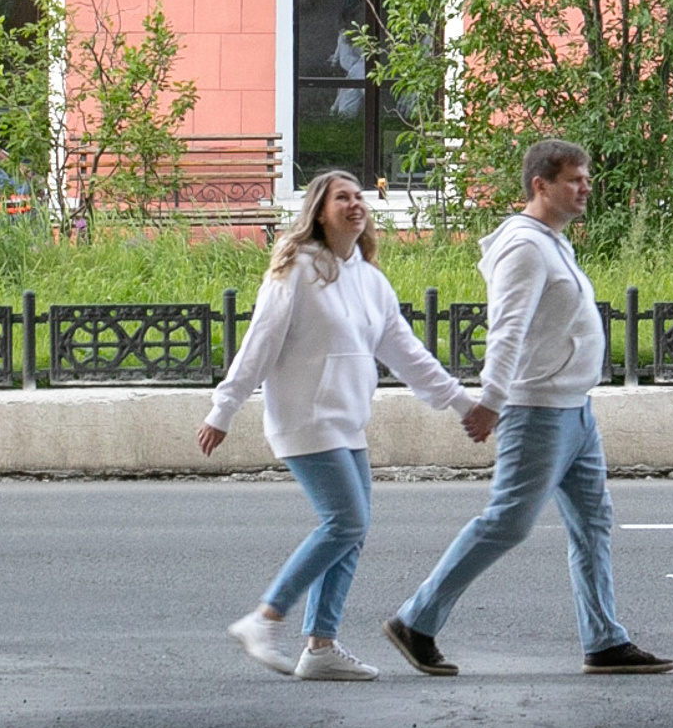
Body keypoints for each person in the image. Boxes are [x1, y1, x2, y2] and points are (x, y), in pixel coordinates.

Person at [383, 138, 673, 677]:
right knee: (508, 523)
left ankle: (604, 640)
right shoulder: (524, 247)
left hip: (574, 411)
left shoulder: (553, 241)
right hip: (537, 410)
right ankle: (415, 620)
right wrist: (491, 401)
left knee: (593, 523)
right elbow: (507, 329)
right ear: (540, 185)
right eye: (574, 180)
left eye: (587, 178)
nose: (586, 188)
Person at [197, 169, 475, 681]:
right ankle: (264, 618)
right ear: (319, 212)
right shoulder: (296, 269)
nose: (355, 204)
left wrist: (459, 402)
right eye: (341, 197)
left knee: (354, 530)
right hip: (305, 417)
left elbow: (406, 352)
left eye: (359, 196)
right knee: (345, 522)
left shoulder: (370, 278)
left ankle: (321, 645)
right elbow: (259, 343)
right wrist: (224, 409)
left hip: (348, 420)